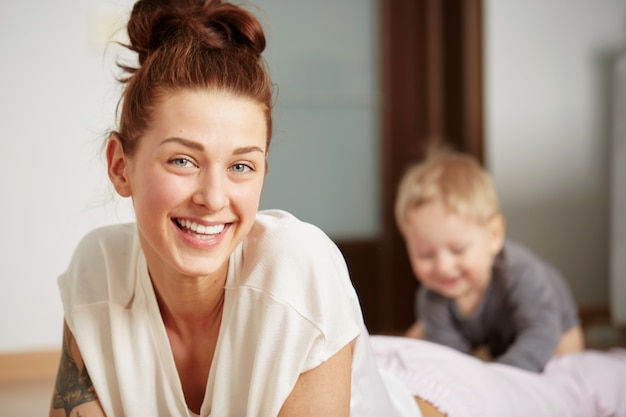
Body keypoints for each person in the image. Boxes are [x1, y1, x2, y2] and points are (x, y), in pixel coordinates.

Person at [48, 0, 421, 416]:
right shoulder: (96, 271)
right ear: (120, 167)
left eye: (241, 166)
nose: (213, 198)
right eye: (182, 160)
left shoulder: (299, 269)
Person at [395, 146, 585, 372]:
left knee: (566, 368)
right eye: (425, 254)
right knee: (420, 340)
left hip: (552, 326)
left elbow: (541, 332)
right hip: (495, 337)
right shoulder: (432, 297)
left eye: (458, 250)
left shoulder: (520, 272)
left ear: (493, 236)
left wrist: (500, 378)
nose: (443, 267)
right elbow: (452, 364)